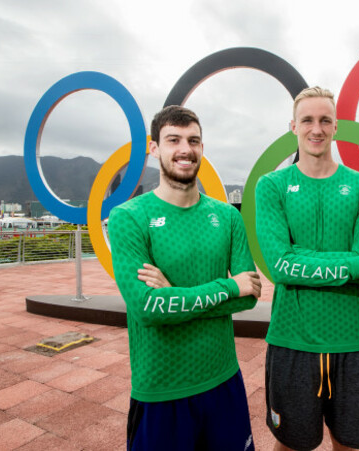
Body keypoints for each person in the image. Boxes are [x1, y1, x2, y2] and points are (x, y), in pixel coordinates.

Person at [109, 105, 261, 450]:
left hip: (223, 380)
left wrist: (175, 298)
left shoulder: (227, 216)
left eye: (193, 140)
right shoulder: (128, 217)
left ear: (202, 149)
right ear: (155, 148)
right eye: (173, 139)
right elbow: (148, 308)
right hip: (161, 388)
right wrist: (227, 287)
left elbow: (249, 294)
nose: (185, 149)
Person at [255, 86, 359, 451]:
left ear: (336, 127)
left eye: (325, 120)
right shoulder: (272, 186)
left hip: (349, 342)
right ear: (293, 127)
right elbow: (280, 266)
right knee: (290, 446)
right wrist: (351, 264)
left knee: (348, 445)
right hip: (290, 341)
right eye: (308, 120)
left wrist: (302, 257)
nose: (317, 128)